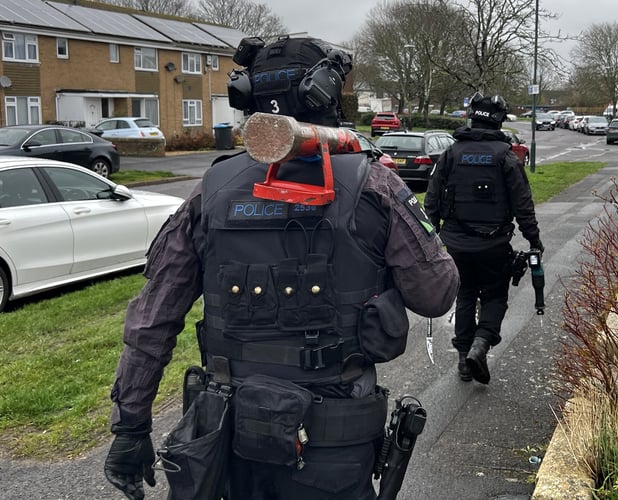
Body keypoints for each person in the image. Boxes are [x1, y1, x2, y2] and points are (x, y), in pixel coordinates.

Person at [103, 35, 459, 500]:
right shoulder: (375, 183)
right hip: (330, 448)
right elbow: (436, 293)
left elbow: (152, 319)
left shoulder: (212, 188)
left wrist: (130, 426)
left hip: (226, 447)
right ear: (326, 95)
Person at [424, 92, 543, 385]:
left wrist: (432, 237)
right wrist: (534, 239)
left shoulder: (451, 154)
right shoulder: (506, 157)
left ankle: (464, 360)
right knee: (494, 296)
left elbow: (432, 200)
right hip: (494, 245)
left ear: (472, 118)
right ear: (499, 120)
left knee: (465, 295)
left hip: (456, 245)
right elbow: (523, 205)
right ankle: (481, 344)